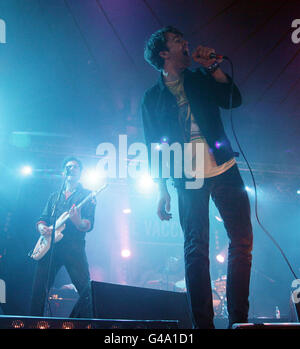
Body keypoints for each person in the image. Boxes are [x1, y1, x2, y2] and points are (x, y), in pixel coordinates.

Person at [141, 26, 253, 329]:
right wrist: (161, 189)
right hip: (186, 177)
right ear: (164, 53)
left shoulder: (200, 78)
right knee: (195, 248)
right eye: (178, 42)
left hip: (224, 167)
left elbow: (233, 100)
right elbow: (154, 146)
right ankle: (203, 325)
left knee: (242, 242)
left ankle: (239, 321)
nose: (186, 43)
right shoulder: (152, 98)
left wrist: (214, 67)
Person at [30, 157, 96, 318]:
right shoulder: (55, 196)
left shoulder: (88, 195)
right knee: (39, 290)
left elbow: (88, 224)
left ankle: (82, 321)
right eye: (68, 167)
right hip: (51, 247)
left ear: (80, 172)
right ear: (63, 172)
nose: (71, 169)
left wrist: (78, 221)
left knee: (86, 290)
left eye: (75, 167)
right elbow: (43, 217)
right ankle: (33, 322)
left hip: (73, 248)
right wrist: (41, 228)